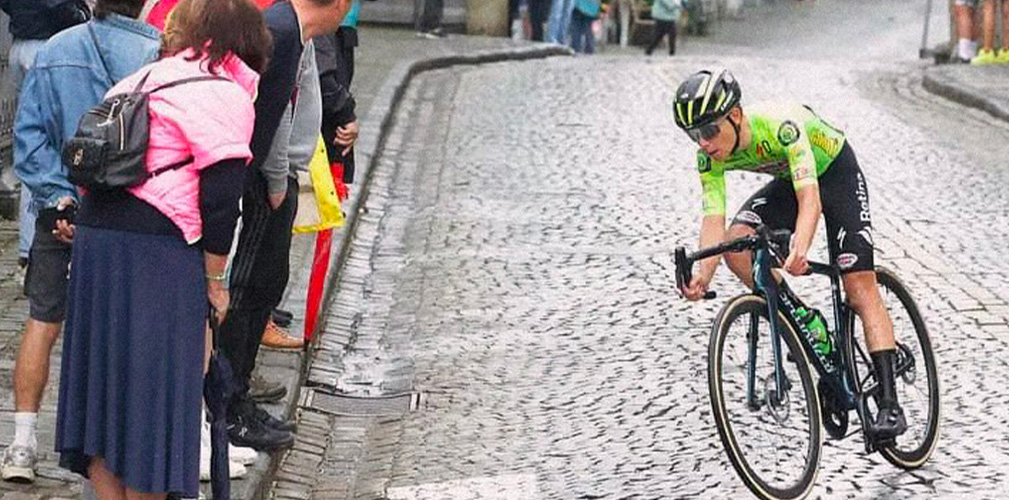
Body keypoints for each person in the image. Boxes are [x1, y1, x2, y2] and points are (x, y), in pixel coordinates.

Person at [53, 0, 270, 497]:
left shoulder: (142, 78)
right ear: (247, 42)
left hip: (97, 245)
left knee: (106, 402)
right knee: (154, 408)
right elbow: (221, 199)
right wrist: (216, 283)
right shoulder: (225, 92)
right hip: (156, 254)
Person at [674, 69, 907, 441]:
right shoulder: (710, 158)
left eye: (709, 131)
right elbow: (713, 218)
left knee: (858, 285)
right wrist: (703, 275)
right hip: (791, 180)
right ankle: (803, 319)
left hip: (834, 173)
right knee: (738, 245)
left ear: (735, 115)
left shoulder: (781, 126)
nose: (703, 143)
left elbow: (809, 199)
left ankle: (890, 406)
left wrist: (801, 246)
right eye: (693, 135)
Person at [2, 0, 157, 484]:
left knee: (42, 321)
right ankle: (113, 446)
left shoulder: (55, 50)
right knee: (126, 331)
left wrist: (59, 199)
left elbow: (29, 137)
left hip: (60, 212)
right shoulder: (159, 55)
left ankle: (21, 443)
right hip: (124, 215)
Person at [220, 0, 352, 452]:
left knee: (266, 285)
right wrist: (276, 179)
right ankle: (227, 405)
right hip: (263, 180)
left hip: (277, 175)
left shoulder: (296, 34)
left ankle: (236, 397)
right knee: (248, 289)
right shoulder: (278, 30)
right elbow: (267, 117)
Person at [0, 0, 89, 275]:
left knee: (31, 141)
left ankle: (30, 246)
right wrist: (82, 17)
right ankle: (35, 245)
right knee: (47, 144)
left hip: (22, 43)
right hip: (45, 43)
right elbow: (58, 5)